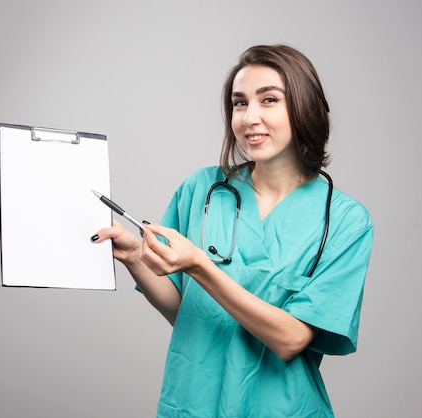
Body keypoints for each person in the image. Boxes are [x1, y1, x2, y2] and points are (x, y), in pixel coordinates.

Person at [91, 44, 373, 417]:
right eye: (239, 103)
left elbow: (291, 339)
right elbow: (189, 311)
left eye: (269, 100)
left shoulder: (344, 220)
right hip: (194, 401)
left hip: (280, 408)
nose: (249, 117)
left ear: (303, 108)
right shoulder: (202, 190)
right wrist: (133, 257)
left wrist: (199, 266)